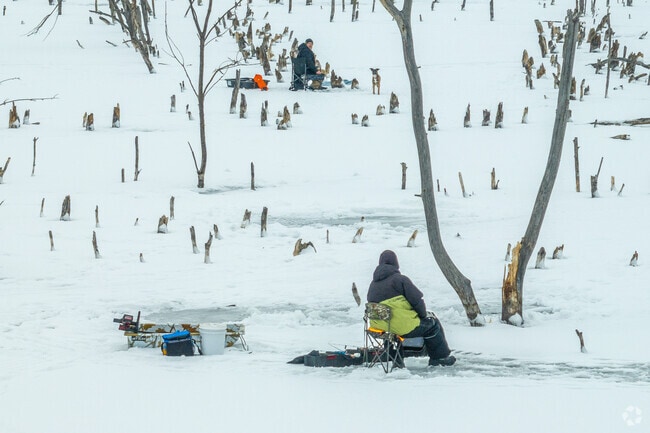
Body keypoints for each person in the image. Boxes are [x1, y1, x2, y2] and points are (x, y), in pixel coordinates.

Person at [367, 250, 456, 367]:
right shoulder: (400, 279)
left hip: (378, 327)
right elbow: (417, 300)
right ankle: (439, 358)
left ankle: (395, 358)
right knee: (433, 325)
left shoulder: (373, 284)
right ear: (396, 263)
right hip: (400, 327)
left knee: (391, 325)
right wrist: (423, 316)